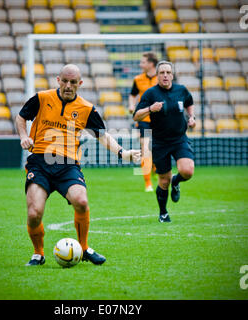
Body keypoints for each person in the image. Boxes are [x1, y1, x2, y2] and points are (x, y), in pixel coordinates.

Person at [16, 64, 141, 266]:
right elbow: (21, 117)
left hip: (67, 165)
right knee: (33, 213)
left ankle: (83, 249)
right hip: (39, 163)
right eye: (64, 81)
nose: (68, 85)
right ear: (58, 80)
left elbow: (102, 135)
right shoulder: (42, 98)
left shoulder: (86, 108)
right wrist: (23, 136)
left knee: (81, 202)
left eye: (73, 82)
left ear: (79, 83)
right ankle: (38, 253)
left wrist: (122, 153)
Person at [133, 61, 196, 223]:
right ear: (158, 75)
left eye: (168, 72)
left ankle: (177, 180)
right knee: (163, 180)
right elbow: (136, 115)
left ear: (172, 75)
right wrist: (150, 109)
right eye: (162, 73)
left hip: (179, 139)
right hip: (160, 142)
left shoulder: (181, 90)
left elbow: (189, 103)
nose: (165, 75)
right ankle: (163, 213)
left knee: (187, 171)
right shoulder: (150, 93)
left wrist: (192, 118)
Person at [128, 52, 159, 192]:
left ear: (151, 64)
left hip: (160, 119)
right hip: (144, 119)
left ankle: (155, 168)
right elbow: (133, 94)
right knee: (145, 149)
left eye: (143, 62)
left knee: (158, 149)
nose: (141, 64)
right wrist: (131, 105)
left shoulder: (162, 78)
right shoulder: (138, 79)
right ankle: (148, 184)